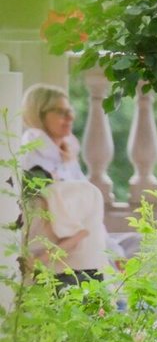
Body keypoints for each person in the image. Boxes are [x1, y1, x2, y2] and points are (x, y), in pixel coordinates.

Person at [17, 84, 106, 284]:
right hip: (49, 227)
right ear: (39, 114)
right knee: (90, 195)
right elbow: (38, 199)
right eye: (61, 112)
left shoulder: (66, 151)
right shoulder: (32, 152)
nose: (70, 117)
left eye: (70, 111)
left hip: (72, 229)